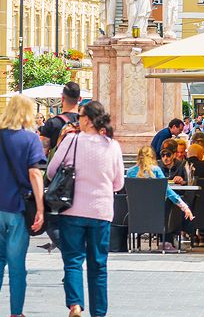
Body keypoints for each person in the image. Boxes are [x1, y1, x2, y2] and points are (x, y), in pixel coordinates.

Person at [0, 94, 46, 317]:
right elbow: (35, 173)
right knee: (16, 263)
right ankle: (16, 313)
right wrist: (40, 207)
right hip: (16, 207)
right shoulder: (30, 139)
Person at [48, 99, 125, 316]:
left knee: (73, 260)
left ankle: (75, 304)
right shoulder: (113, 146)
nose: (78, 120)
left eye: (81, 116)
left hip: (72, 210)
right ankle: (98, 313)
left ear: (88, 120)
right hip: (101, 212)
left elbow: (52, 171)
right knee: (98, 266)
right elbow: (118, 183)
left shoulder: (71, 141)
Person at [128, 144, 193, 246]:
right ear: (152, 157)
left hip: (136, 212)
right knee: (169, 204)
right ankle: (167, 241)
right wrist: (184, 206)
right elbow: (168, 191)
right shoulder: (156, 170)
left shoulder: (130, 172)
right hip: (157, 212)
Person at [40, 82, 83, 154]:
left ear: (62, 98)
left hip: (59, 164)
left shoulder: (52, 123)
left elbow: (42, 151)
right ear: (80, 99)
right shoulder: (86, 122)